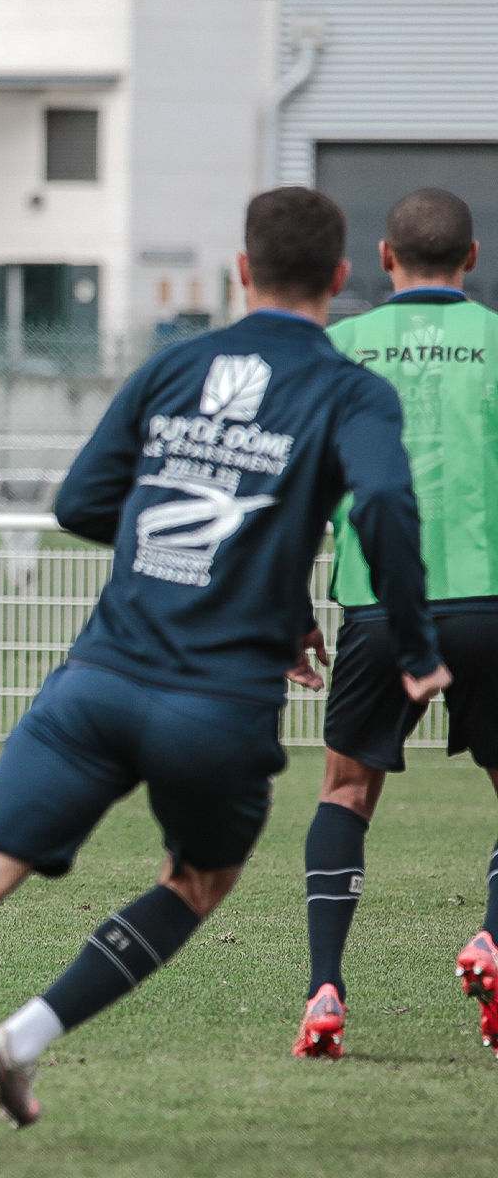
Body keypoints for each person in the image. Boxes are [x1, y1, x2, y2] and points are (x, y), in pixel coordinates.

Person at [0, 187, 450, 1166]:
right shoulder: (349, 389)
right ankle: (18, 1044)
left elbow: (83, 500)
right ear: (343, 280)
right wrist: (415, 645)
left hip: (94, 683)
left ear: (240, 270)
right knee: (199, 878)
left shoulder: (173, 364)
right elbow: (383, 501)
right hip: (213, 709)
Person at [290, 188, 498, 1060]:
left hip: (377, 604)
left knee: (346, 793)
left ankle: (325, 989)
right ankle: (490, 936)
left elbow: (296, 489)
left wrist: (290, 608)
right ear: (473, 259)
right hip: (491, 604)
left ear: (382, 259)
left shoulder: (337, 349)